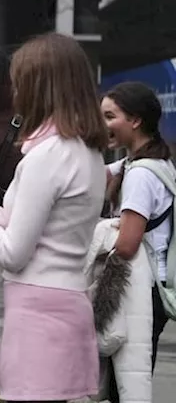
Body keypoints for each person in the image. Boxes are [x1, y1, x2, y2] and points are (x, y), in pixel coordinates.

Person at [0, 32, 107, 403]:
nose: (14, 93)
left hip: (39, 316)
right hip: (65, 304)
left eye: (19, 83)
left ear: (39, 88)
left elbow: (14, 251)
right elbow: (43, 231)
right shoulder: (87, 153)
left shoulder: (47, 156)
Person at [99, 81, 174, 398]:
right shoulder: (154, 163)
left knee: (125, 386)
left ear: (135, 120)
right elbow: (91, 173)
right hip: (150, 291)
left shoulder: (141, 174)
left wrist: (97, 237)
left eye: (109, 117)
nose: (103, 126)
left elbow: (128, 244)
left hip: (140, 294)